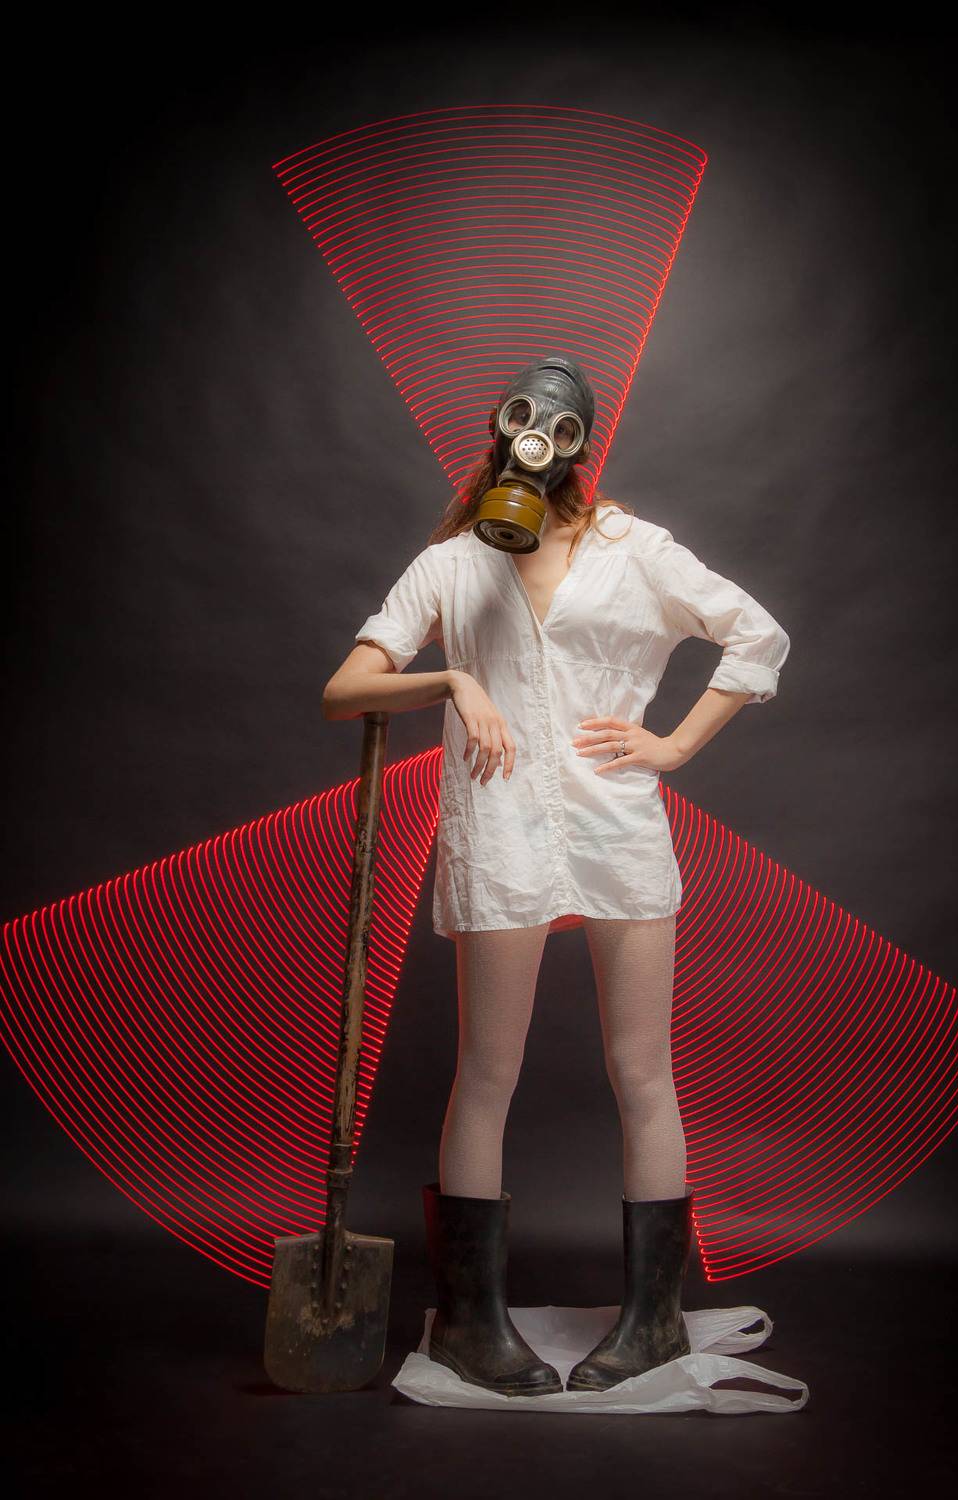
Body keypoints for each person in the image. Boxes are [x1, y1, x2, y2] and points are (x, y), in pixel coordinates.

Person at [322, 356, 790, 1399]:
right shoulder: (452, 564)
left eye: (561, 425)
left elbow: (757, 634)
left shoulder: (633, 550)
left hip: (616, 824)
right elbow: (343, 689)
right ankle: (471, 1327)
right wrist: (452, 678)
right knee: (488, 1071)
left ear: (579, 445)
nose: (538, 436)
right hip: (499, 831)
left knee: (642, 1070)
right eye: (524, 416)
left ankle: (652, 1323)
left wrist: (674, 745)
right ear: (502, 429)